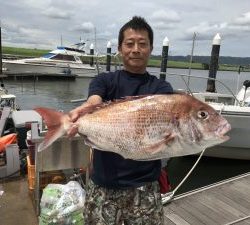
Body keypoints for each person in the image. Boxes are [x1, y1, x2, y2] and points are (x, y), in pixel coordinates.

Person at [68, 16, 173, 225]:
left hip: (144, 187)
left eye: (142, 44)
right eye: (130, 43)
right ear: (119, 48)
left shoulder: (161, 90)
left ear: (151, 49)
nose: (136, 49)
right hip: (103, 184)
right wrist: (87, 109)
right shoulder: (105, 80)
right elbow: (95, 98)